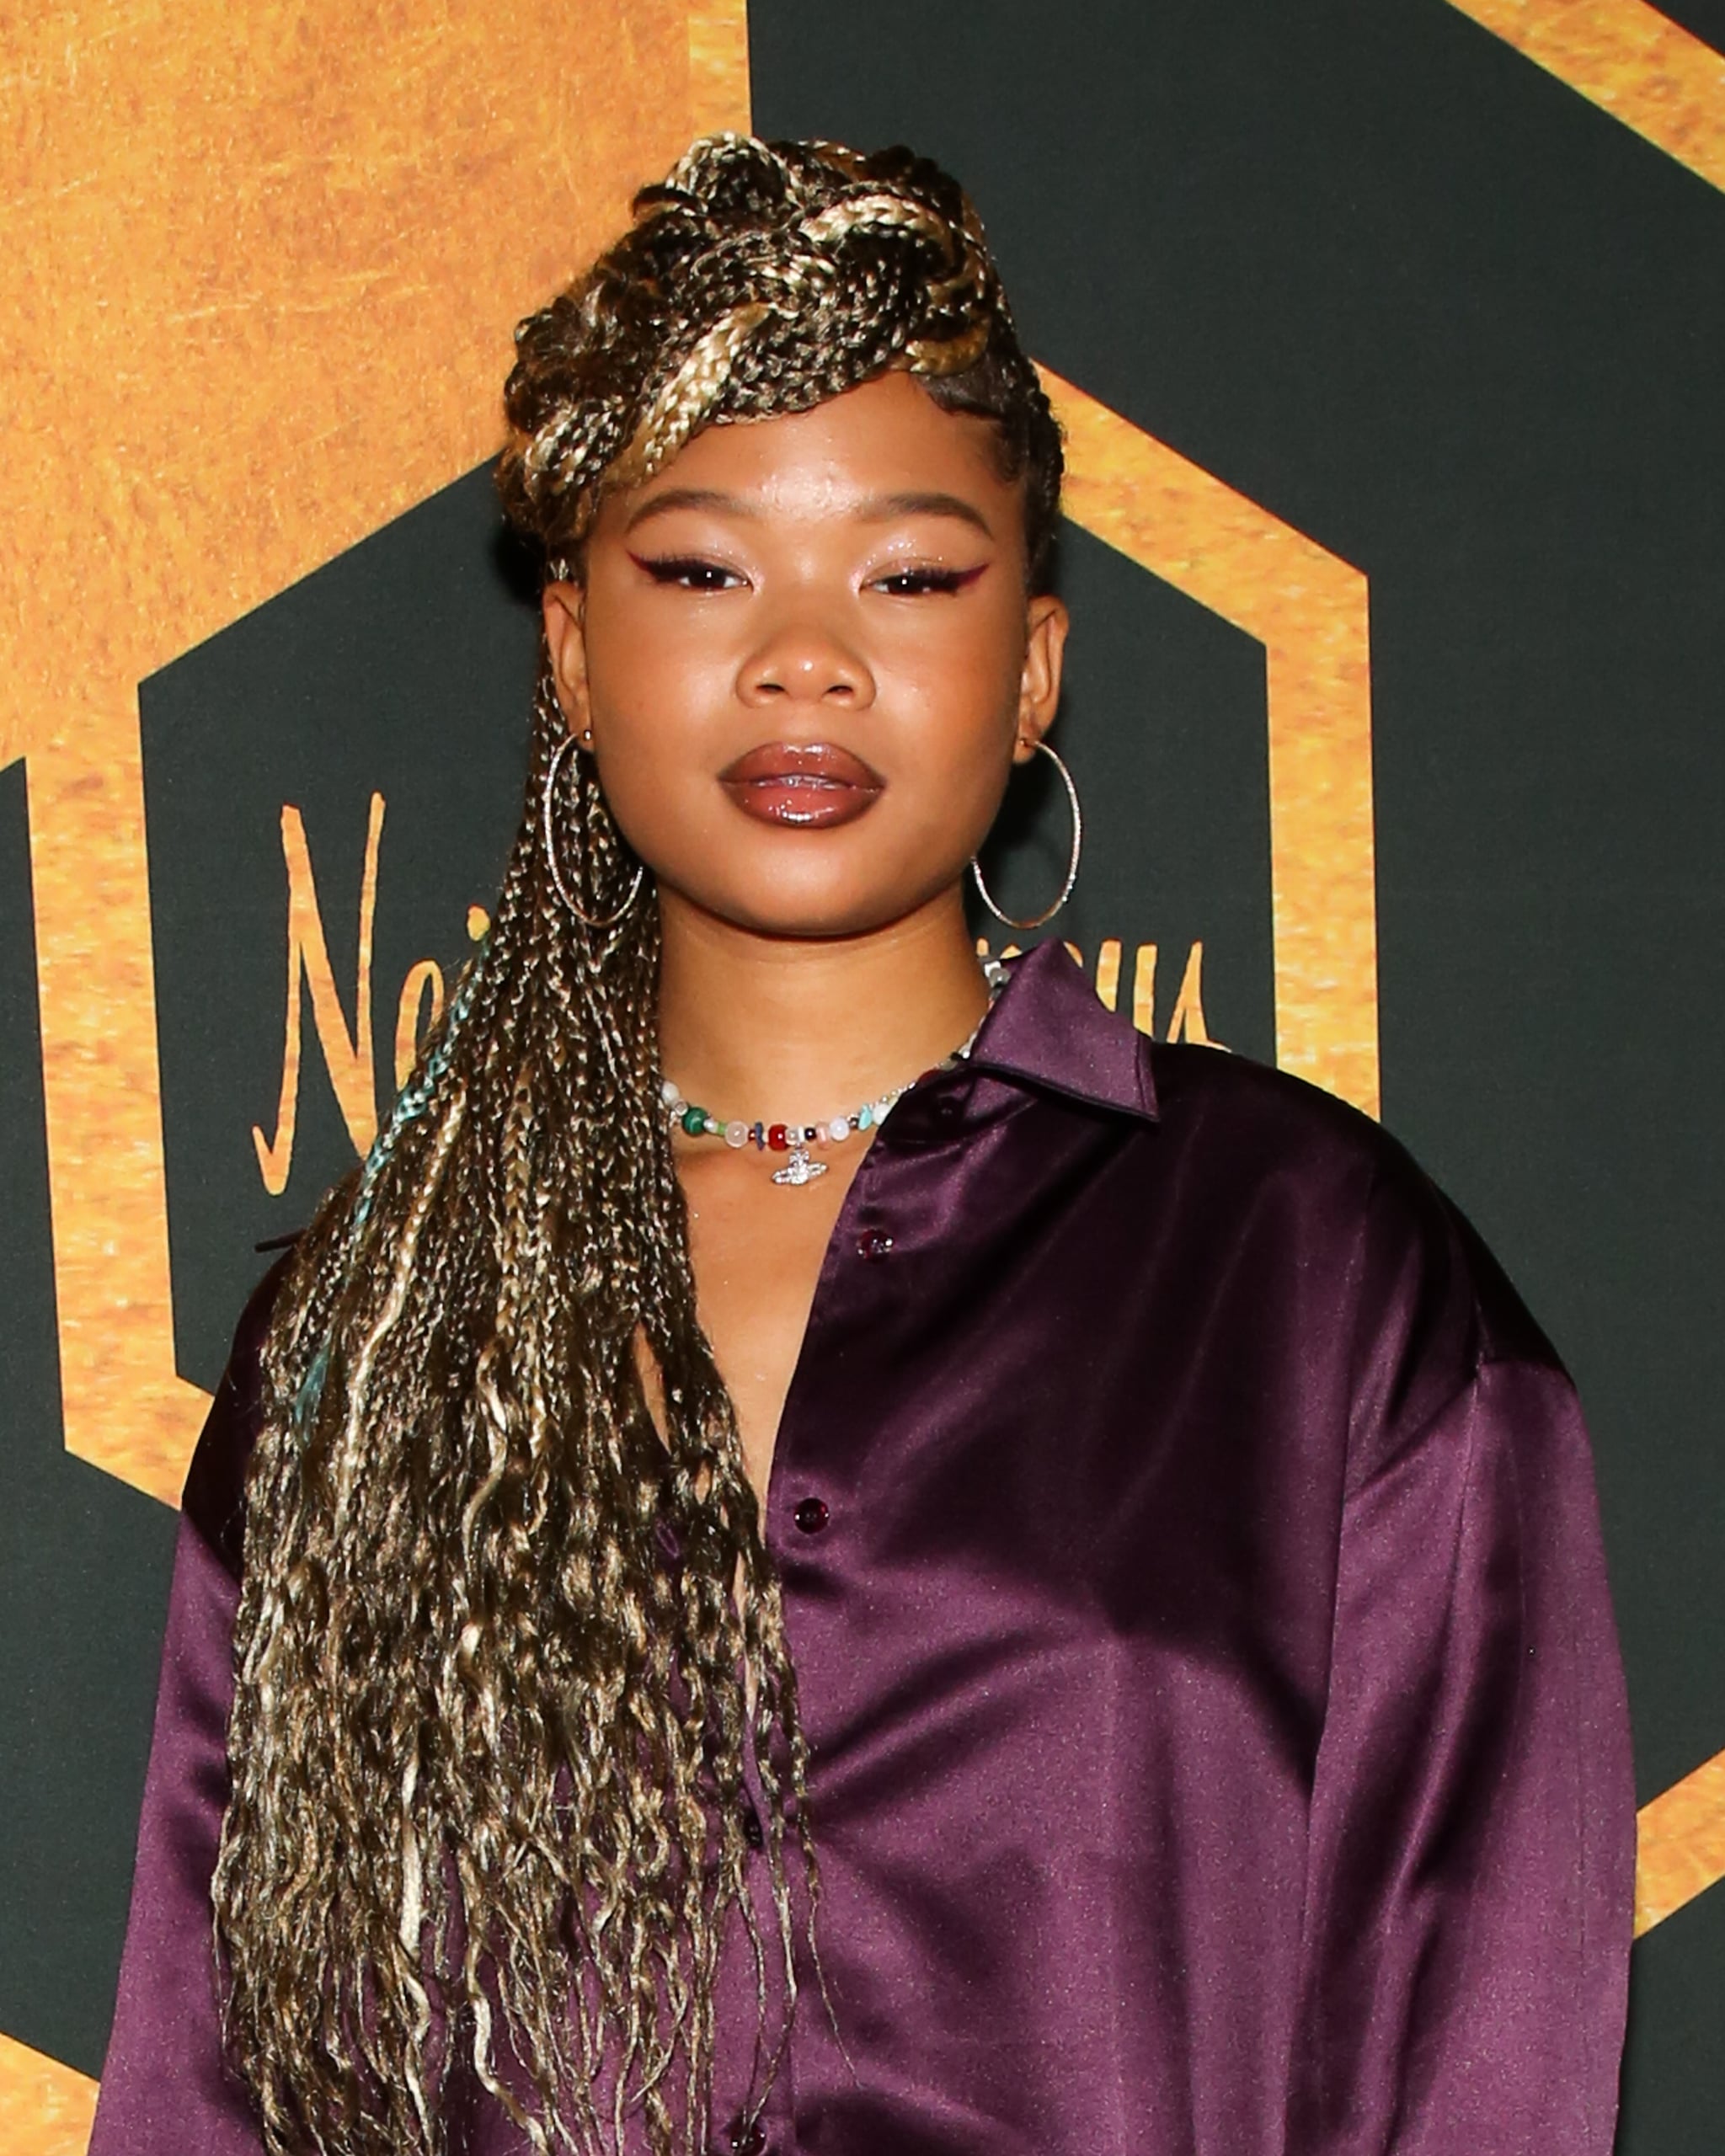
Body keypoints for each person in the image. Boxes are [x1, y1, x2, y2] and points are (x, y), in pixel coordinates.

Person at [88, 134, 1634, 2156]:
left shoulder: (1317, 1280)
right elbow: (214, 2093)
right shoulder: (366, 1349)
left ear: (1037, 661)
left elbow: (1482, 2061)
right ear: (566, 646)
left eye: (908, 574)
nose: (804, 655)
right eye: (702, 567)